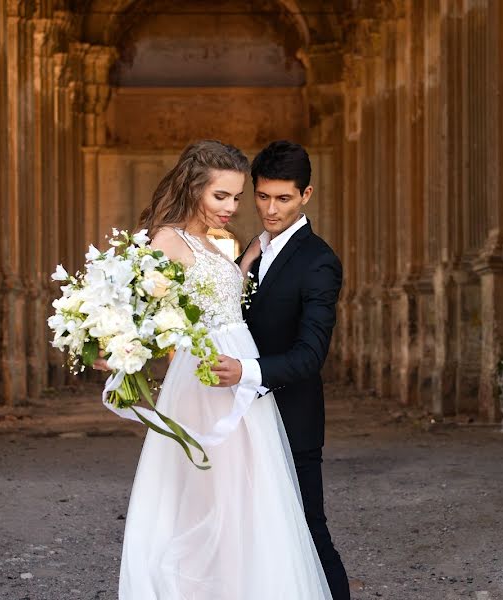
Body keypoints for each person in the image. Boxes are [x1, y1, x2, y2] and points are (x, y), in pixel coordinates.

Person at [99, 140, 332, 599]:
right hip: (206, 382)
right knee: (206, 499)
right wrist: (121, 348)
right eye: (220, 196)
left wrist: (241, 267)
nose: (232, 207)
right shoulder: (166, 240)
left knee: (249, 500)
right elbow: (144, 311)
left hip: (240, 380)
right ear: (193, 189)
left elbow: (216, 302)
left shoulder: (211, 242)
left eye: (238, 197)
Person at [211, 140, 351, 600]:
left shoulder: (319, 262)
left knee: (309, 533)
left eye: (284, 198)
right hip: (244, 423)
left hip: (292, 419)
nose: (271, 209)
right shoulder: (253, 249)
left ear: (306, 195)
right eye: (263, 197)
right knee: (250, 536)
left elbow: (310, 357)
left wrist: (246, 371)